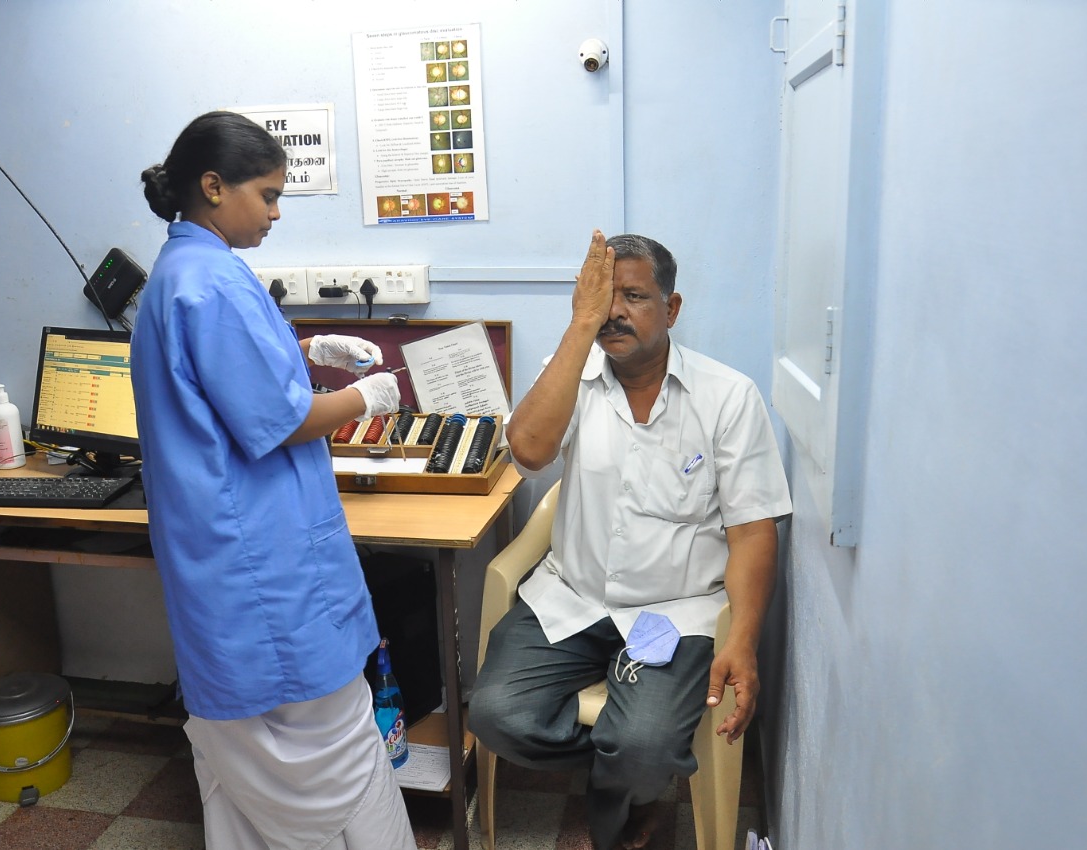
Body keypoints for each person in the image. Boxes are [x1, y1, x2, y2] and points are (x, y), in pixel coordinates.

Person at [130, 111, 416, 850]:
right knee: (333, 745)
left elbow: (226, 368)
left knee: (237, 760)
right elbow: (280, 421)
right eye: (268, 194)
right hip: (262, 562)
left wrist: (309, 344)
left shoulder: (185, 268)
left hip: (219, 558)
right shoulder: (211, 280)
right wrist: (369, 397)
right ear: (214, 185)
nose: (277, 211)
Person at [468, 230, 792, 850]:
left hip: (674, 611)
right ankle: (619, 766)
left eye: (634, 297)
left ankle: (625, 786)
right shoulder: (571, 374)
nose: (614, 312)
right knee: (495, 718)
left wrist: (745, 642)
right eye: (600, 297)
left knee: (643, 744)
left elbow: (752, 531)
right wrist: (578, 327)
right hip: (572, 598)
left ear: (671, 310)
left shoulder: (727, 396)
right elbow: (530, 453)